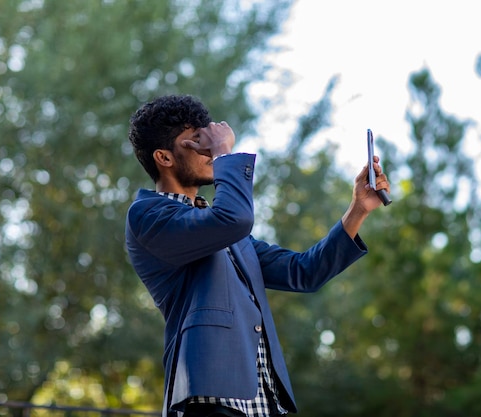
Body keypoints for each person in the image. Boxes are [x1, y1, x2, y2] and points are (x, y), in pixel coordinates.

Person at [125, 94, 390, 417]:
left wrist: (358, 208)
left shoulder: (224, 230)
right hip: (211, 399)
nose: (208, 150)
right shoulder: (148, 216)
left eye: (207, 140)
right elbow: (234, 218)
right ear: (164, 158)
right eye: (195, 142)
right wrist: (224, 153)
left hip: (264, 403)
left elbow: (304, 271)